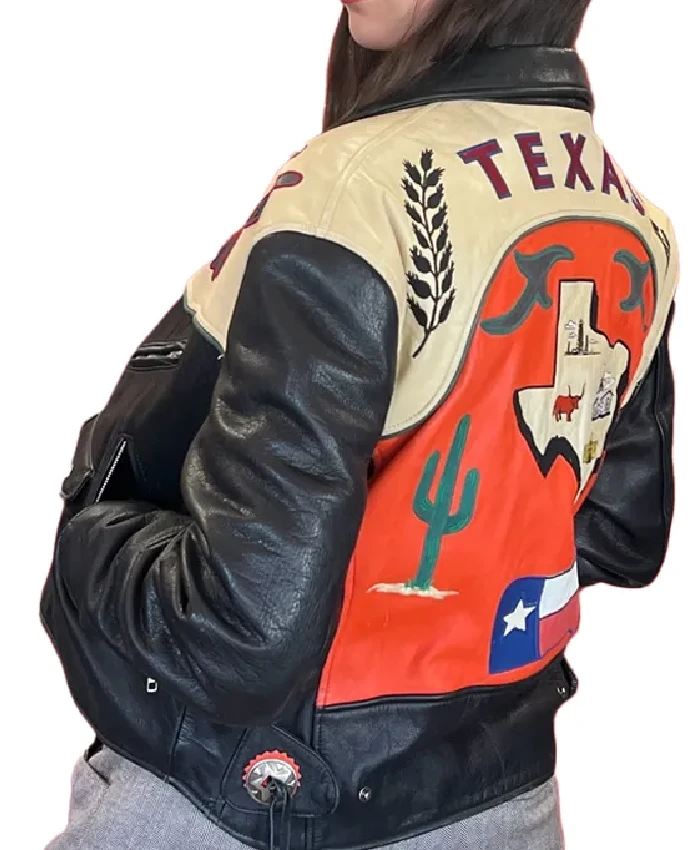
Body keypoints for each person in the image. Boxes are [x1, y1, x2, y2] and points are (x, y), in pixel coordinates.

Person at [40, 1, 679, 849]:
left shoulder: (355, 189)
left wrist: (90, 545)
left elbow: (244, 634)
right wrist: (436, 617)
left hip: (242, 802)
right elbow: (619, 532)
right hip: (504, 799)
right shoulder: (636, 219)